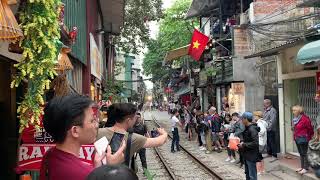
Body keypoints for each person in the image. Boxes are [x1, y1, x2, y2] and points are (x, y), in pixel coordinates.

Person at [40, 95, 125, 180]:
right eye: (92, 120)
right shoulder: (83, 174)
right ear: (75, 131)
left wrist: (97, 170)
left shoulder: (49, 155)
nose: (96, 125)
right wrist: (111, 169)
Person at [97, 103, 168, 170]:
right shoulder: (134, 138)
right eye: (134, 118)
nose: (136, 120)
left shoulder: (98, 132)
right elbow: (159, 141)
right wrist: (164, 133)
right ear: (128, 120)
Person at [292, 105, 314, 175]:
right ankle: (302, 167)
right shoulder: (296, 119)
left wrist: (309, 136)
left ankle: (305, 168)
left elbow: (310, 129)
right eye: (293, 110)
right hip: (297, 137)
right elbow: (295, 128)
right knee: (301, 153)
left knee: (305, 153)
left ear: (299, 111)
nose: (293, 112)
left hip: (303, 138)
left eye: (294, 110)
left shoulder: (305, 119)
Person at [238, 112, 259, 180]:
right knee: (248, 173)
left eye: (242, 119)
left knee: (252, 175)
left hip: (251, 155)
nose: (241, 120)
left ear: (246, 119)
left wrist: (243, 144)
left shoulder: (252, 129)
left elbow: (255, 143)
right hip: (247, 154)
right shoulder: (247, 128)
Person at [253, 111, 268, 175]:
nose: (253, 117)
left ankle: (258, 171)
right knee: (261, 156)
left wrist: (256, 134)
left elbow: (263, 131)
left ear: (258, 116)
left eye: (254, 116)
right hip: (263, 142)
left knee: (257, 157)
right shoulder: (263, 122)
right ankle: (263, 169)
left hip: (259, 142)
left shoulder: (259, 123)